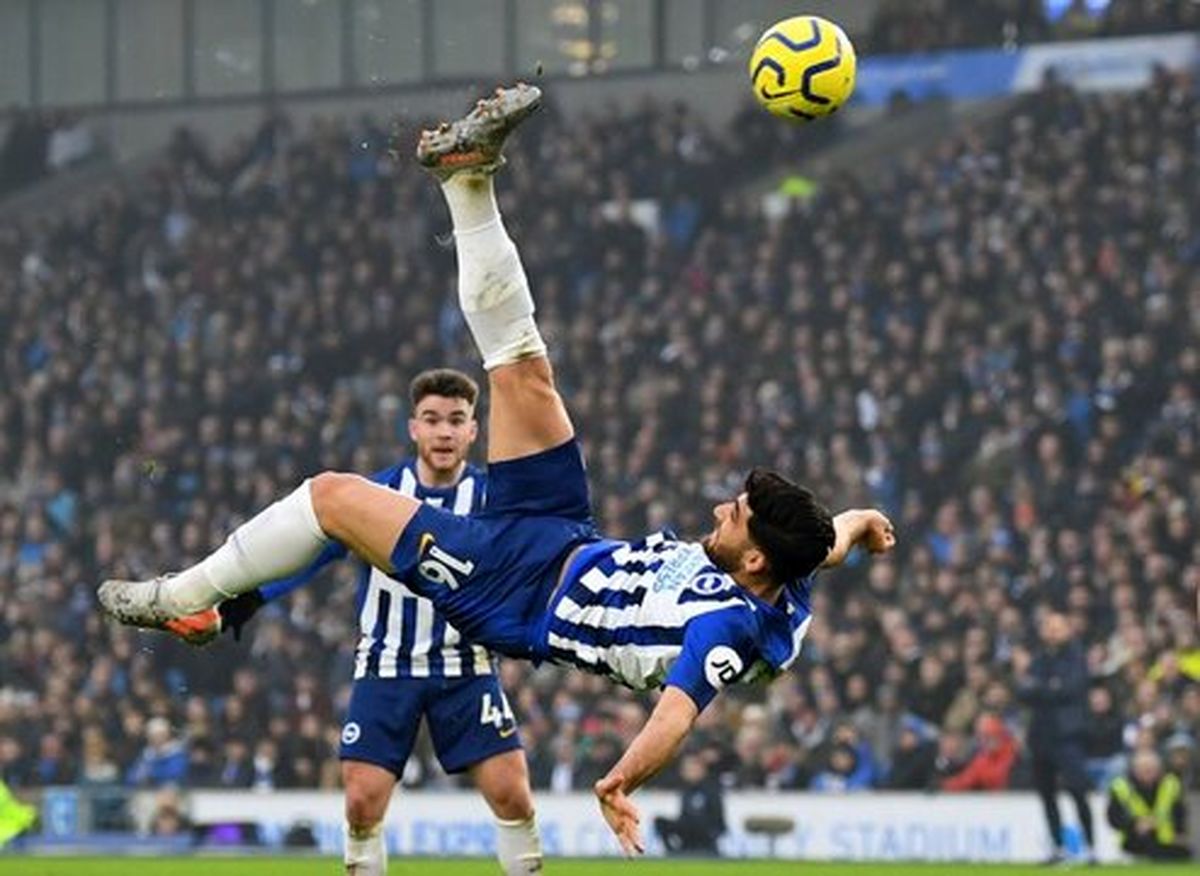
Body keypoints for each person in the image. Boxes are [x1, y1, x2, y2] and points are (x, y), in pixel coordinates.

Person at [98, 82, 896, 855]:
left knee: (332, 496)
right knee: (521, 366)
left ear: (753, 557)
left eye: (733, 516)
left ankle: (185, 600)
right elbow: (821, 547)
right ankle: (466, 178)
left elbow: (679, 711)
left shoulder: (729, 630)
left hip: (515, 588)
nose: (720, 510)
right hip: (562, 531)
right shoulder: (783, 569)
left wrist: (619, 783)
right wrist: (858, 522)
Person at [170, 368, 544, 876]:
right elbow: (309, 555)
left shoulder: (492, 502)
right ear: (412, 427)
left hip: (466, 666)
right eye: (432, 420)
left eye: (456, 421)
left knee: (512, 793)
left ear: (473, 431)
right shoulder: (379, 494)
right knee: (362, 802)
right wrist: (242, 601)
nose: (444, 432)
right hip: (385, 664)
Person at [1015, 609, 1095, 865]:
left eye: (1057, 627)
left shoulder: (1076, 656)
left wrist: (1040, 687)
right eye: (1048, 627)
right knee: (1047, 794)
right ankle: (1057, 847)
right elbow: (1023, 691)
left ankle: (1090, 848)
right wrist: (1047, 686)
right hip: (1041, 735)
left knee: (1077, 790)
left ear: (1068, 630)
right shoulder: (1039, 658)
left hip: (1067, 734)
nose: (1052, 631)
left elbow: (1071, 689)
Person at [1106, 748, 1191, 861]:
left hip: (1166, 842)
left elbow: (1180, 812)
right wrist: (1135, 824)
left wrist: (1179, 831)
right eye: (1143, 769)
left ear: (1159, 769)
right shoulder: (1120, 787)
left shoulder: (1171, 784)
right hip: (1134, 842)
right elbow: (1114, 818)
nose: (1147, 773)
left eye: (1151, 769)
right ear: (1134, 769)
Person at [652, 753, 725, 856]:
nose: (689, 772)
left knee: (695, 822)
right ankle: (671, 852)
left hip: (705, 833)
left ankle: (704, 850)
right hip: (688, 830)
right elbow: (683, 816)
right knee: (659, 821)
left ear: (702, 770)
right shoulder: (686, 791)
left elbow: (719, 821)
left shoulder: (711, 790)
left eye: (693, 769)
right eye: (687, 770)